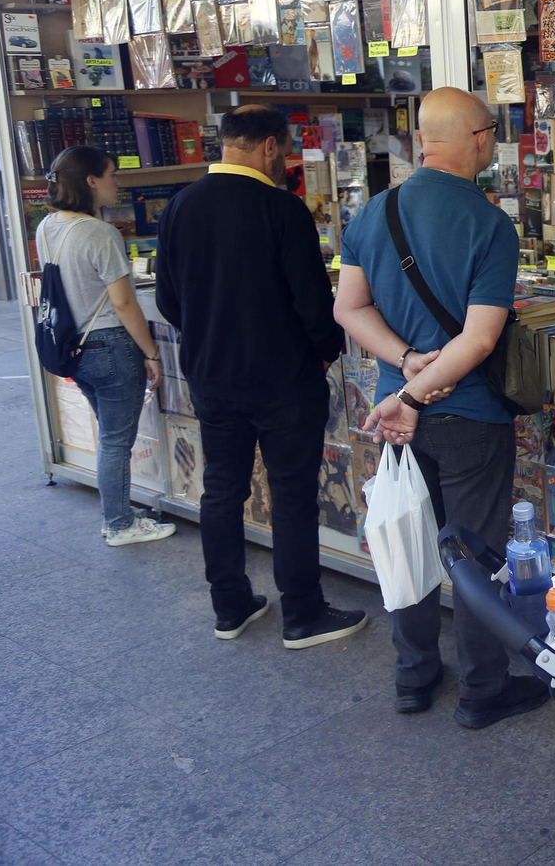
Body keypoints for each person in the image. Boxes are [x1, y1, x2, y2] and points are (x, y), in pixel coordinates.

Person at [338, 87, 545, 728]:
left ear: (421, 141)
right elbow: (480, 339)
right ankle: (484, 689)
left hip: (395, 417)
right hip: (468, 417)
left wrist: (403, 367)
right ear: (479, 139)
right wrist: (416, 385)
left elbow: (349, 309)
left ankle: (414, 675)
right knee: (476, 554)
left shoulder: (374, 212)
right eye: (490, 132)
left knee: (408, 538)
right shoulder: (487, 223)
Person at [156, 105, 366, 648]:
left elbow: (167, 300)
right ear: (269, 146)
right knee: (293, 492)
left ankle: (229, 606)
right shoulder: (282, 209)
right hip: (282, 378)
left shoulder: (179, 206)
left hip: (211, 376)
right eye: (285, 149)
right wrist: (323, 351)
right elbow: (312, 302)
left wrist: (209, 334)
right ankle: (302, 612)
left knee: (221, 490)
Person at [37, 146, 173, 547]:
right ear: (91, 181)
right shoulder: (100, 233)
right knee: (117, 440)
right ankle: (119, 523)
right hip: (112, 345)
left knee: (109, 437)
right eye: (112, 174)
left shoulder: (48, 227)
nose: (118, 182)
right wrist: (150, 352)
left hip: (75, 347)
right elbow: (124, 302)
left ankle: (119, 515)